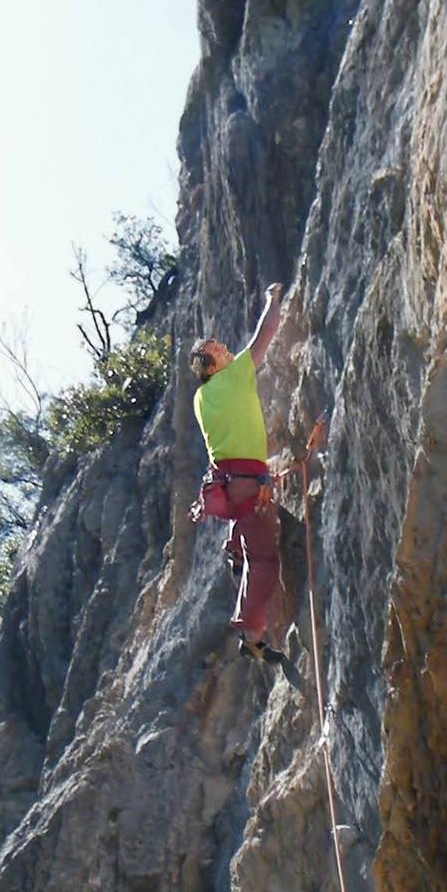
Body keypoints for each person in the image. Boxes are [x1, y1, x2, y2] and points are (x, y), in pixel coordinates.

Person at [189, 283, 285, 663]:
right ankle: (252, 634)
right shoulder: (232, 377)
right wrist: (272, 300)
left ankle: (235, 549)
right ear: (211, 367)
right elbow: (266, 334)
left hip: (230, 482)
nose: (226, 348)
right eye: (218, 350)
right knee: (265, 561)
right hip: (246, 484)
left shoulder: (201, 398)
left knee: (248, 538)